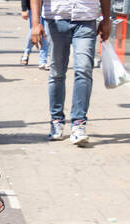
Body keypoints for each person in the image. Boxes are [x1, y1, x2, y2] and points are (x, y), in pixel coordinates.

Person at [31, 0, 111, 145]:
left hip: (86, 19)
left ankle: (78, 124)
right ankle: (57, 120)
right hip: (55, 19)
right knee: (57, 72)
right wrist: (35, 23)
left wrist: (106, 19)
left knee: (84, 70)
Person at [20, 0, 50, 68]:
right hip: (33, 8)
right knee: (34, 31)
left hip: (48, 8)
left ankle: (43, 61)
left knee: (46, 33)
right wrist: (24, 9)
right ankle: (26, 52)